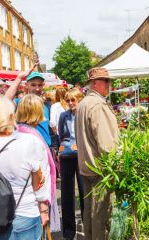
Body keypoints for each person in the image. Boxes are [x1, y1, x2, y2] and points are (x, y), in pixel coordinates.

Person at [0, 95, 48, 240]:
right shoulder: (28, 143)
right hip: (24, 215)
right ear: (9, 116)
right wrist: (43, 208)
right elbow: (39, 184)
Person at [75, 67, 119, 240]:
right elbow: (107, 145)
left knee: (89, 213)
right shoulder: (98, 105)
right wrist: (114, 170)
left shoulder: (84, 103)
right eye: (106, 81)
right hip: (101, 171)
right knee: (100, 216)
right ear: (95, 83)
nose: (109, 84)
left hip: (87, 167)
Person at [15, 94, 61, 233]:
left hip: (18, 201)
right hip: (32, 202)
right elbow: (40, 174)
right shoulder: (33, 137)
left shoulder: (15, 132)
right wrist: (43, 207)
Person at [58, 89, 85, 240]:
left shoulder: (84, 115)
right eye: (68, 100)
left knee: (84, 192)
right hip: (67, 156)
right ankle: (68, 233)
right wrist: (66, 147)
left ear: (80, 99)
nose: (70, 103)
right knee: (67, 194)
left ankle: (87, 226)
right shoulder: (63, 115)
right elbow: (61, 135)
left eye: (73, 100)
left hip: (82, 156)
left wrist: (79, 147)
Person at [5, 65, 51, 147]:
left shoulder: (46, 105)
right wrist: (19, 78)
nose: (37, 89)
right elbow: (5, 101)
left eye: (40, 85)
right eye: (33, 85)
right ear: (26, 85)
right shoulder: (21, 103)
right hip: (28, 148)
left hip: (46, 148)